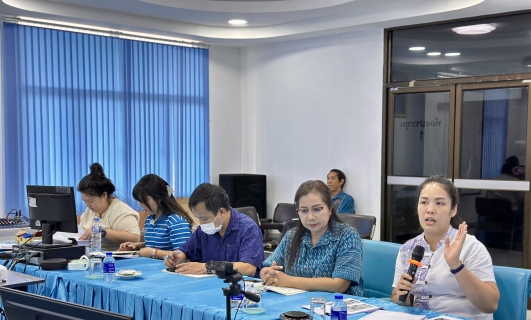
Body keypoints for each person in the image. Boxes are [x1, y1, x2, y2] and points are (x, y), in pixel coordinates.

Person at [392, 175, 499, 319]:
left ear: (453, 209)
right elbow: (396, 298)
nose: (430, 209)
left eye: (440, 203)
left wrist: (456, 265)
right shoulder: (408, 249)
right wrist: (403, 295)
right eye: (424, 202)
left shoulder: (471, 246)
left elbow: (490, 305)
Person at [260, 180, 363, 296]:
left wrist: (288, 281)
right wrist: (267, 274)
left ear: (330, 208)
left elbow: (339, 285)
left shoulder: (347, 236)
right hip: (296, 305)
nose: (310, 217)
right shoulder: (291, 236)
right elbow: (266, 268)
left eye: (317, 209)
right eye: (304, 211)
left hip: (337, 309)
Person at [163, 183, 264, 277]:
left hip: (240, 288)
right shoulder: (204, 230)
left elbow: (249, 268)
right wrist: (177, 258)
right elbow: (187, 251)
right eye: (198, 218)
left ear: (221, 212)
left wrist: (208, 267)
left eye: (204, 218)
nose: (201, 223)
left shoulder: (248, 229)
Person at [118, 174, 193, 259]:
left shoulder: (176, 221)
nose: (142, 205)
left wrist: (153, 253)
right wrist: (136, 246)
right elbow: (156, 244)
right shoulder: (150, 218)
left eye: (144, 200)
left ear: (159, 197)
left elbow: (183, 255)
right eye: (139, 201)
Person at [78, 163, 140, 250]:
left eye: (91, 201)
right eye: (85, 201)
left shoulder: (120, 211)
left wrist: (101, 231)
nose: (88, 205)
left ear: (104, 195)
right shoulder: (90, 210)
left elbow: (135, 238)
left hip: (116, 258)